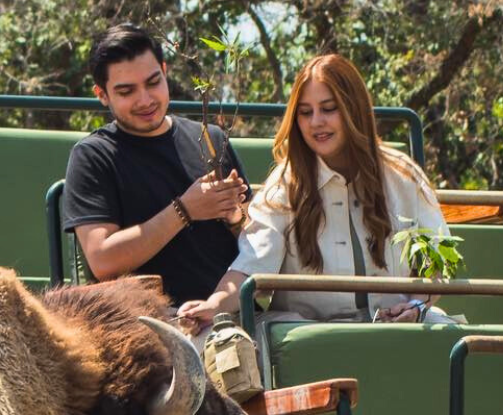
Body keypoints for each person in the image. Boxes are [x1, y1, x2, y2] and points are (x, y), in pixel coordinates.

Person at [179, 53, 451, 327]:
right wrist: (214, 305)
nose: (316, 122)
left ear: (354, 110)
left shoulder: (403, 175)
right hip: (312, 335)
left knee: (449, 333)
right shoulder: (285, 187)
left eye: (329, 109)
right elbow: (252, 265)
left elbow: (436, 263)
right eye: (306, 112)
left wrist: (416, 305)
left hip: (399, 330)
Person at [62, 23, 250, 308]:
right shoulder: (93, 156)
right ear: (102, 94)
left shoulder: (210, 139)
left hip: (234, 309)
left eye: (153, 83)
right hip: (153, 319)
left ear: (164, 71)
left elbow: (256, 241)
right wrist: (184, 210)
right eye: (126, 91)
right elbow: (102, 260)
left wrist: (236, 217)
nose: (145, 100)